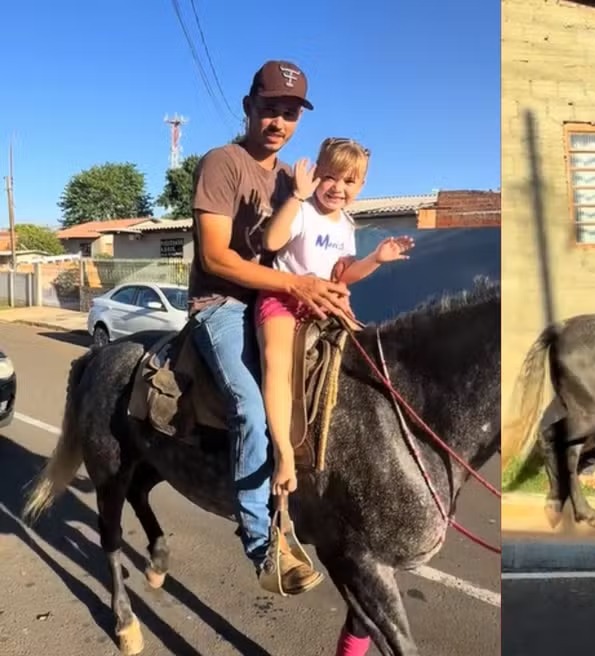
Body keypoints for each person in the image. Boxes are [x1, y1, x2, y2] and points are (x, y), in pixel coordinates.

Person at [188, 60, 353, 595]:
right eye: (270, 108)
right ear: (249, 106)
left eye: (290, 113)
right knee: (252, 410)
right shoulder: (223, 163)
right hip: (224, 303)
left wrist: (332, 284)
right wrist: (296, 286)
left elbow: (317, 238)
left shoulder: (293, 179)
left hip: (282, 301)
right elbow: (215, 259)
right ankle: (264, 548)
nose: (279, 121)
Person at [256, 137, 414, 499]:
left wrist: (376, 259)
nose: (338, 188)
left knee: (371, 353)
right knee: (276, 363)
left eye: (349, 181)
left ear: (361, 186)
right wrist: (295, 197)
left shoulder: (345, 223)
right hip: (283, 298)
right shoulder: (303, 210)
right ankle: (283, 453)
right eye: (330, 177)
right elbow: (272, 242)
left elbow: (341, 274)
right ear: (317, 174)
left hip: (324, 301)